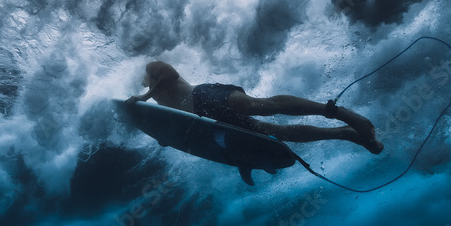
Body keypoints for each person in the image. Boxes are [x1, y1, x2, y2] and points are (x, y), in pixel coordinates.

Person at [127, 61, 383, 154]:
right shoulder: (154, 98)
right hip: (209, 117)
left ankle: (339, 112)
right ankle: (344, 134)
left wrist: (144, 97)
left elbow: (169, 73)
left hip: (205, 95)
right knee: (274, 132)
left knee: (259, 106)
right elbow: (179, 129)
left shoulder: (152, 71)